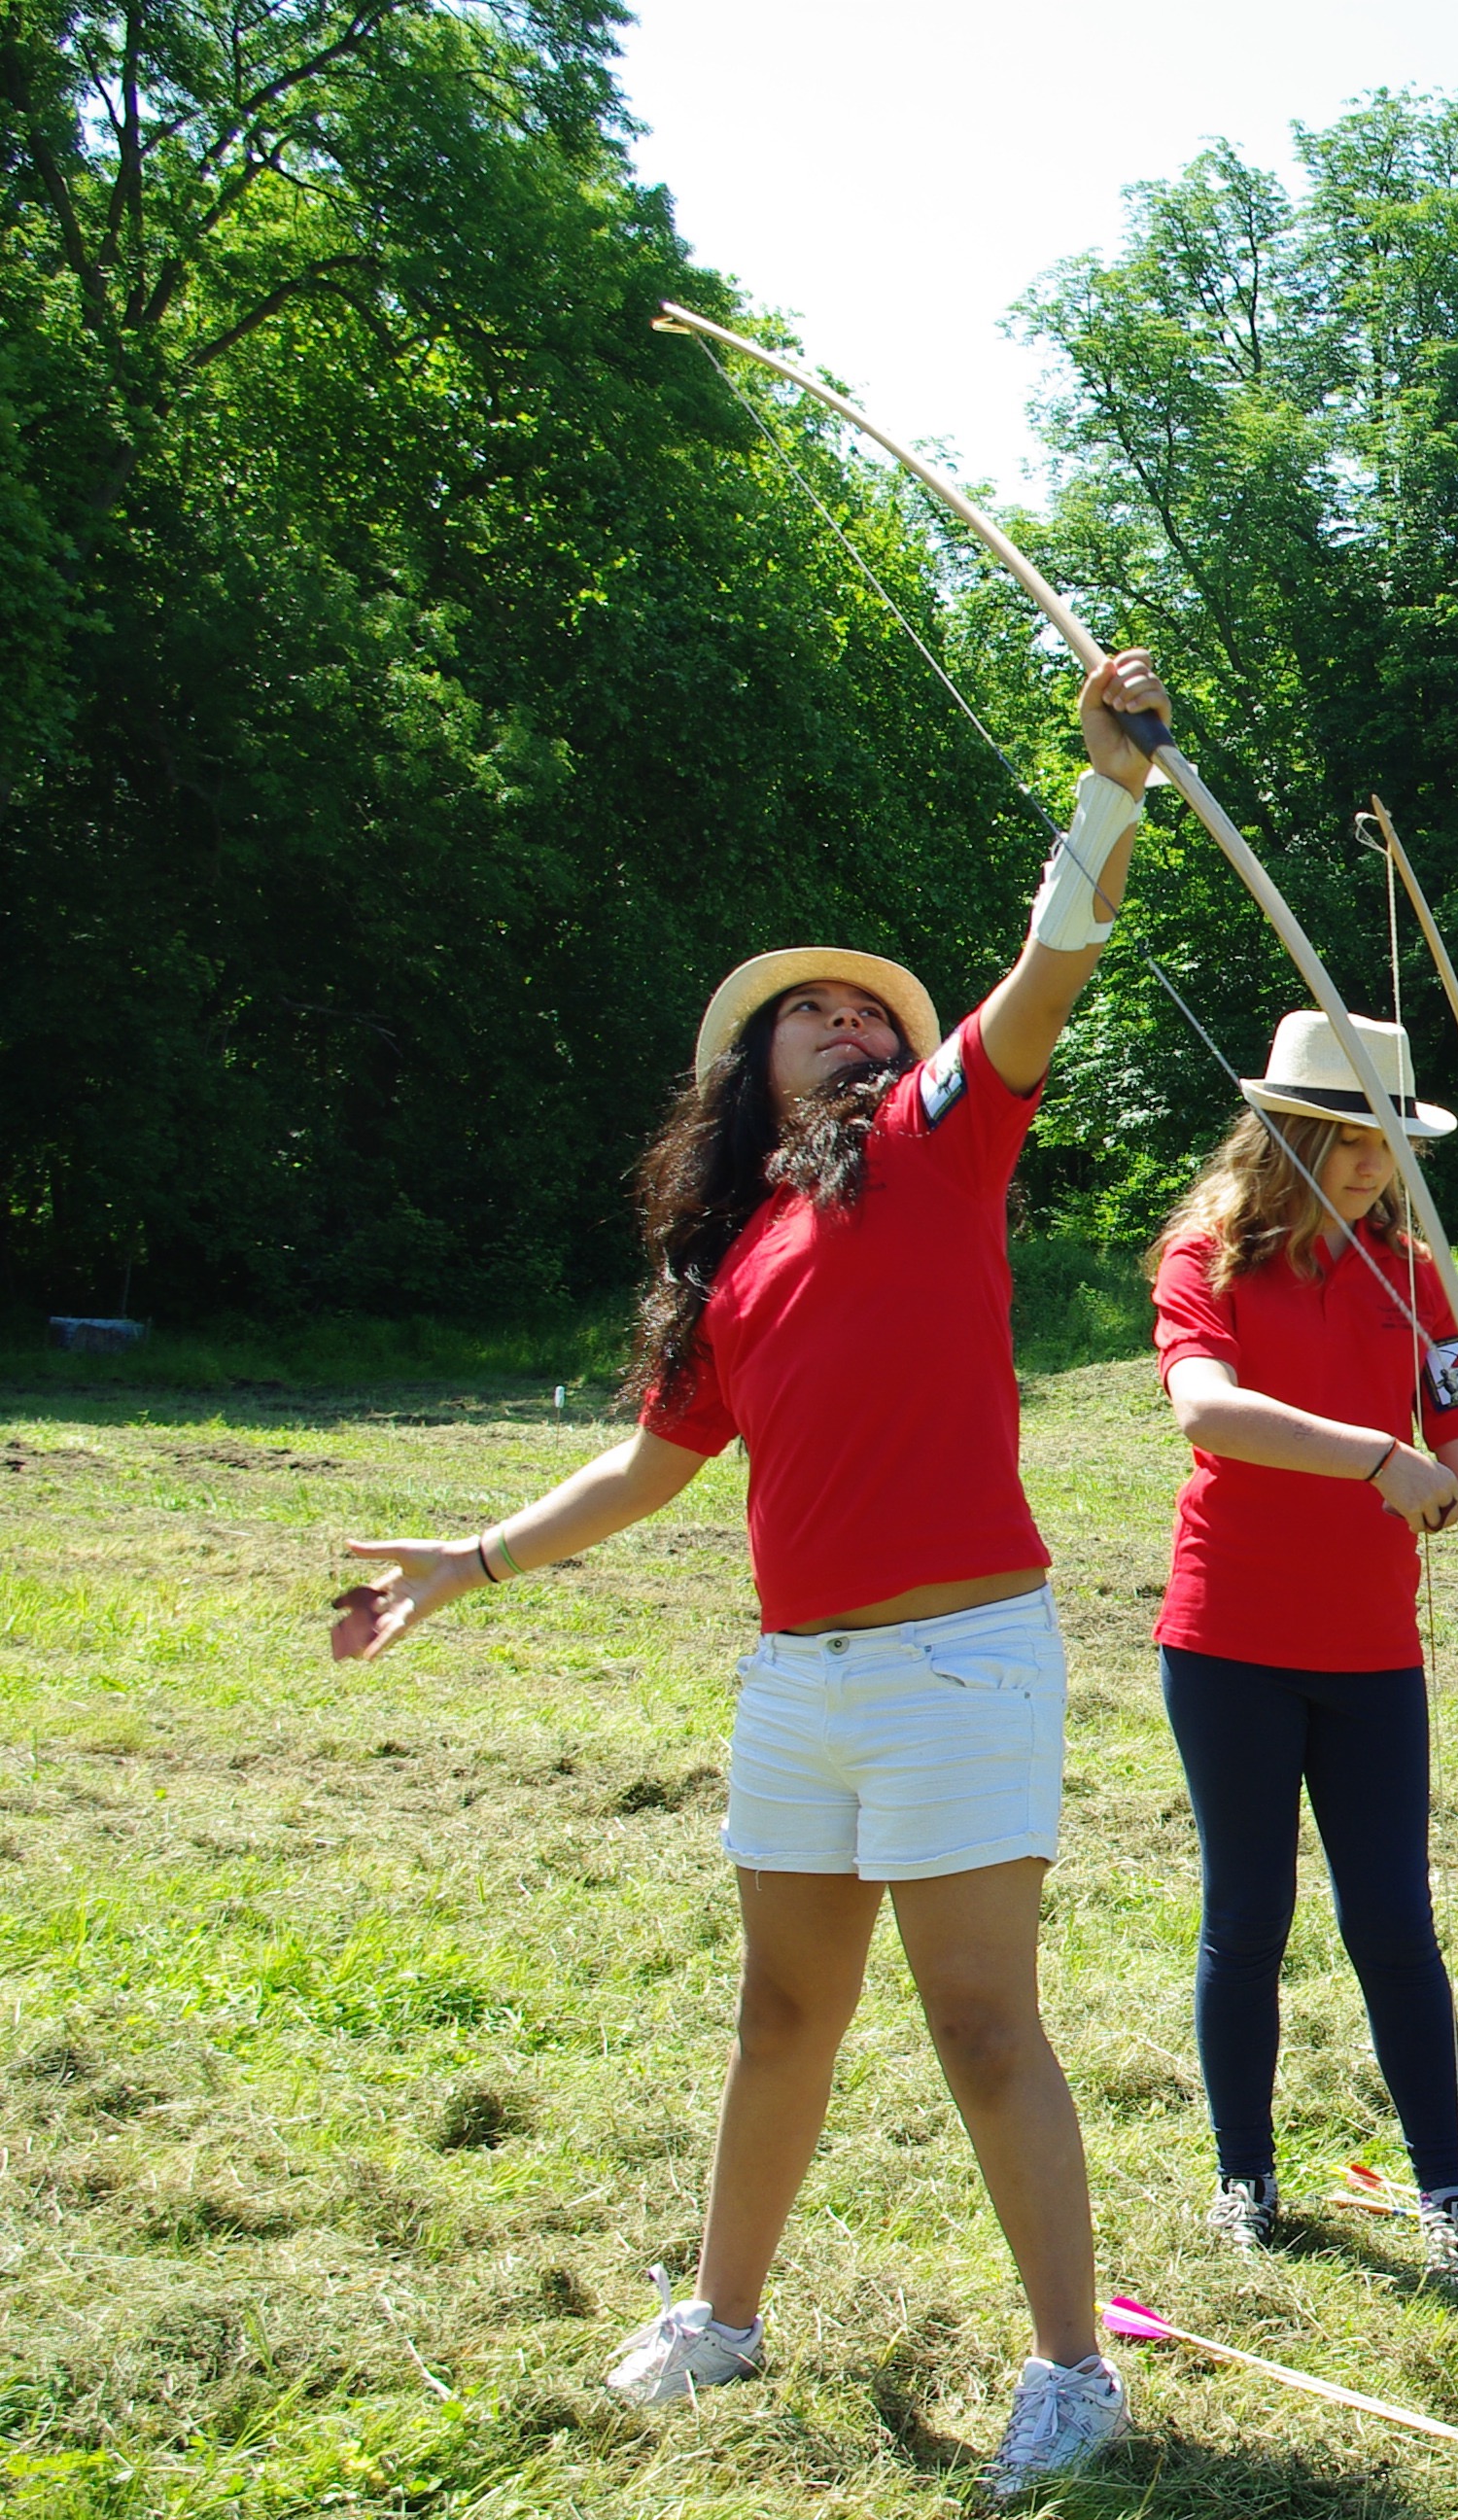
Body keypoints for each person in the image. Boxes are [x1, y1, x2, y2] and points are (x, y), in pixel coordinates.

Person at [330, 653, 1177, 2499]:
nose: (850, 1027)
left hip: (964, 1661)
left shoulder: (938, 1141)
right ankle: (722, 2316)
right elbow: (650, 1464)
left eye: (872, 1012)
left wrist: (1106, 789)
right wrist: (470, 1560)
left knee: (981, 2024)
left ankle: (1071, 2369)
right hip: (799, 1681)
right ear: (749, 1071)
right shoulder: (734, 1258)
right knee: (781, 2013)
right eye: (812, 1014)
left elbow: (1051, 968)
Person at [1147, 1010, 1458, 2287]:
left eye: (1389, 1141)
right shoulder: (1206, 1255)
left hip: (1369, 1649)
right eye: (1346, 1138)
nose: (1370, 1164)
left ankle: (1446, 2193)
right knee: (1249, 1915)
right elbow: (1206, 1409)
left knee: (1394, 1917)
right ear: (1282, 1132)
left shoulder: (1412, 1273)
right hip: (1229, 1635)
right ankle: (1245, 2178)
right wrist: (1373, 1458)